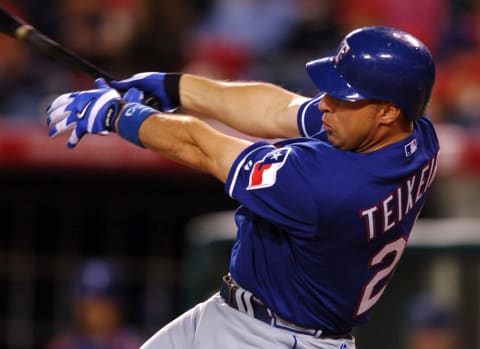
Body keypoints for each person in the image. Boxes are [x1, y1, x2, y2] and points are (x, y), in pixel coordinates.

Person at [46, 26, 439, 349]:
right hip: (235, 316)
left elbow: (203, 148)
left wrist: (119, 116)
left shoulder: (329, 186)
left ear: (387, 111)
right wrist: (174, 87)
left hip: (276, 338)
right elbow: (277, 109)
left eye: (342, 97)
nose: (325, 105)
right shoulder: (416, 137)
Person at [47, 259, 142, 349]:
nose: (96, 313)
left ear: (116, 307)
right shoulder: (63, 346)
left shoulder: (132, 345)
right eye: (89, 305)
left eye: (102, 304)